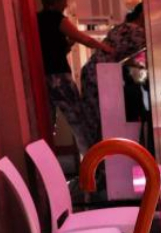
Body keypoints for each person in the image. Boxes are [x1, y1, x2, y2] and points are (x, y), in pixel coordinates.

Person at [37, 0, 111, 156]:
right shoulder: (57, 18)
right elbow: (84, 38)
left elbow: (51, 51)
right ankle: (92, 164)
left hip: (42, 77)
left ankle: (47, 165)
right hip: (60, 78)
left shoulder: (37, 19)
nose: (66, 3)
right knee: (79, 123)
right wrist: (105, 47)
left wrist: (68, 45)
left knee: (48, 125)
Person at [79, 3, 147, 148]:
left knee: (96, 122)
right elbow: (155, 50)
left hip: (94, 73)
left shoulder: (124, 26)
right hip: (100, 76)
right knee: (103, 123)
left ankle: (96, 162)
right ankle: (98, 162)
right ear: (143, 15)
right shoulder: (135, 31)